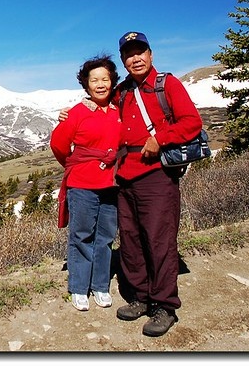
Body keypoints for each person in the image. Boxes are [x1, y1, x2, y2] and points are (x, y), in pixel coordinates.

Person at [112, 31, 203, 337]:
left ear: (150, 55)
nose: (135, 58)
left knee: (159, 241)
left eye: (140, 52)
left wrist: (160, 139)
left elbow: (192, 122)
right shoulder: (122, 91)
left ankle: (164, 306)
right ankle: (140, 296)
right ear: (123, 60)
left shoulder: (167, 85)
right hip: (125, 175)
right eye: (129, 54)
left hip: (157, 175)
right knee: (131, 239)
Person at [50, 54, 121, 312]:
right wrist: (76, 165)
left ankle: (100, 285)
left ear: (112, 81)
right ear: (86, 84)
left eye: (105, 79)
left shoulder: (120, 110)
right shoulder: (76, 113)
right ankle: (79, 288)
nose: (100, 84)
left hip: (112, 184)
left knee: (105, 237)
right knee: (81, 236)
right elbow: (58, 144)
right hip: (82, 185)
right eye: (94, 80)